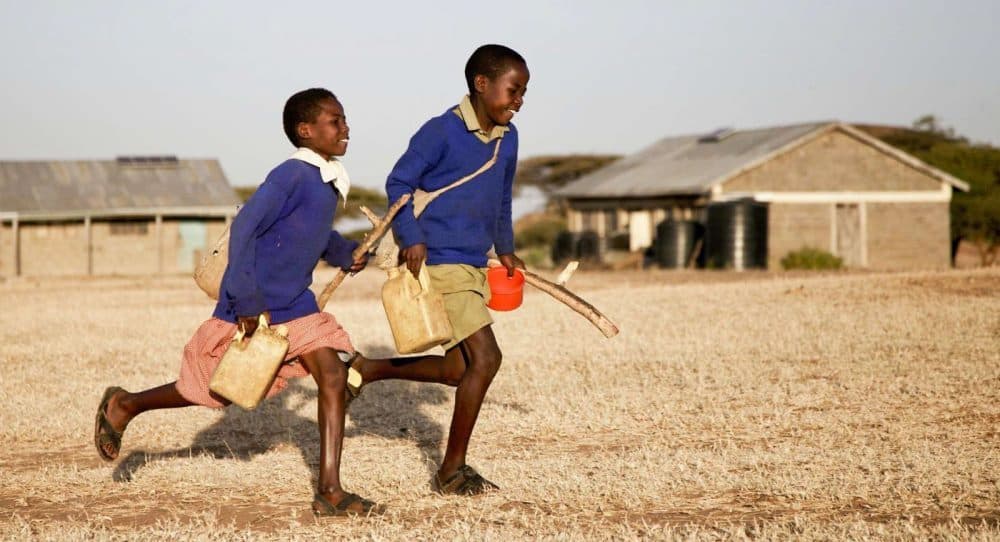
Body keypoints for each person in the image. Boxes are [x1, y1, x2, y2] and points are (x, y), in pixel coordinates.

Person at [93, 88, 383, 517]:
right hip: (256, 302)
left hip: (297, 305)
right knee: (217, 390)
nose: (346, 128)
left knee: (334, 378)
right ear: (306, 131)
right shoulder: (291, 175)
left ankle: (329, 490)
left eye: (345, 120)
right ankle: (126, 404)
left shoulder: (325, 181)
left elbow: (312, 235)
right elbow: (246, 227)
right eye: (335, 121)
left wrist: (346, 254)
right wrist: (247, 298)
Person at [345, 44, 529, 495]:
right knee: (487, 359)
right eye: (513, 90)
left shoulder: (510, 138)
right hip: (440, 262)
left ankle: (368, 369)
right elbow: (399, 183)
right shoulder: (441, 131)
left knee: (454, 371)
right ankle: (451, 470)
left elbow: (502, 198)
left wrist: (505, 248)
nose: (519, 100)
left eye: (524, 92)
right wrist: (411, 237)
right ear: (481, 85)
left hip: (472, 264)